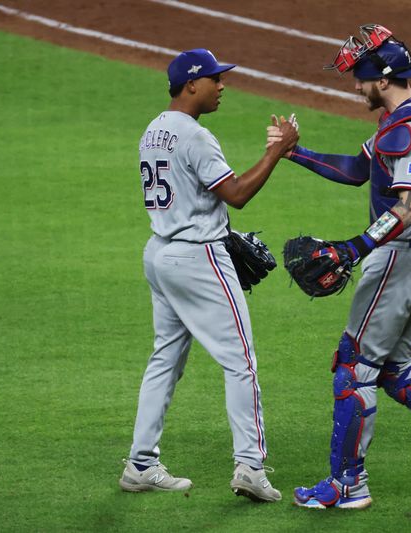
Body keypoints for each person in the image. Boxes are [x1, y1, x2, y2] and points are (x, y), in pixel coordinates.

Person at [267, 25, 411, 510]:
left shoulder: (409, 130)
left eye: (360, 76)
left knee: (353, 369)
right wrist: (291, 153)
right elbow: (358, 171)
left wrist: (353, 249)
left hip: (402, 260)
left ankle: (348, 485)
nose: (355, 85)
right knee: (394, 369)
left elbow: (410, 206)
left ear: (382, 77)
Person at [119, 48, 298, 502]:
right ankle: (251, 466)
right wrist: (276, 151)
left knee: (165, 358)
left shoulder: (154, 129)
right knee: (241, 361)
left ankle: (140, 463)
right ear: (191, 84)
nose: (222, 86)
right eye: (215, 79)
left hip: (160, 253)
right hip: (198, 259)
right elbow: (236, 194)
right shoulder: (195, 136)